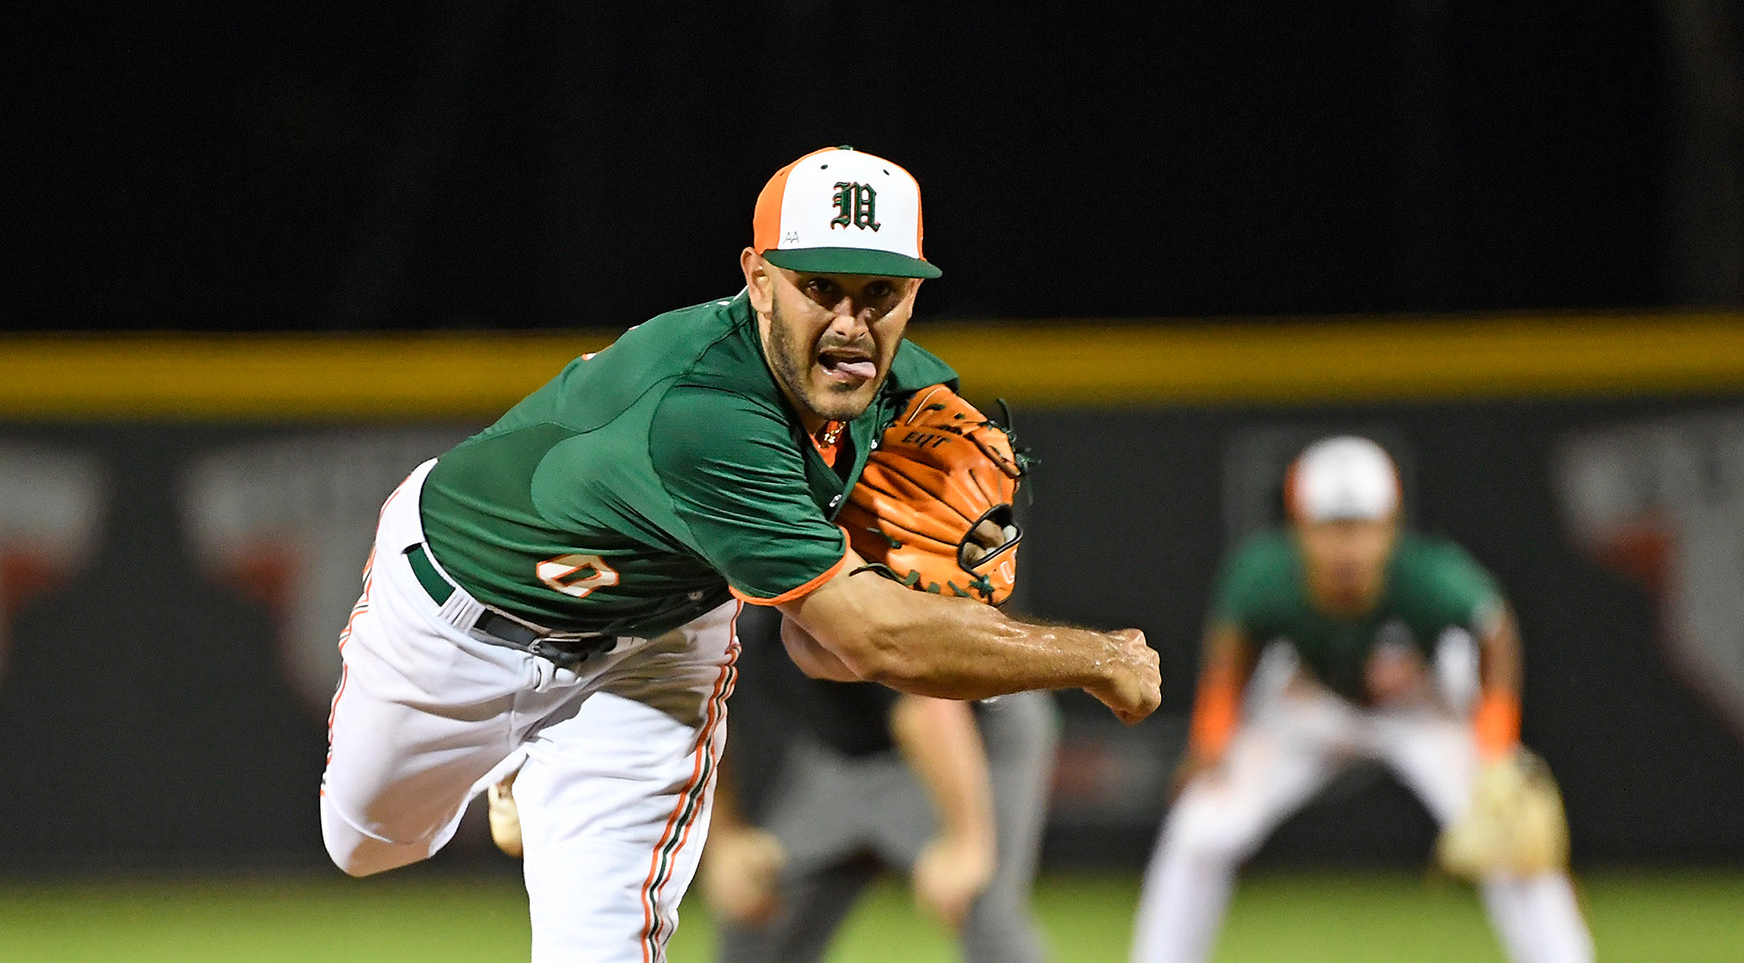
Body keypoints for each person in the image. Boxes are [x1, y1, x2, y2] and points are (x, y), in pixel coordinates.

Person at [317, 146, 1161, 963]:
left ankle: (556, 765)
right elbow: (878, 638)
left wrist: (946, 575)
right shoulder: (708, 412)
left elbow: (819, 645)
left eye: (882, 292)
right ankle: (516, 761)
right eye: (818, 287)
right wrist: (1095, 657)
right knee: (365, 846)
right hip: (458, 610)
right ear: (758, 280)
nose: (851, 322)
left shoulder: (909, 397)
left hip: (655, 646)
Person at [1129, 436, 1593, 963]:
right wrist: (1212, 740)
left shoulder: (1429, 574)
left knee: (1507, 827)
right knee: (1201, 825)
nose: (1348, 547)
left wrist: (1494, 747)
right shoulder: (1265, 574)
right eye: (1331, 527)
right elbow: (1234, 651)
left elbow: (1496, 632)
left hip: (1420, 708)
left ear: (1391, 526)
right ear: (1299, 527)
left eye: (1363, 527)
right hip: (1311, 704)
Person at [699, 604, 1058, 963]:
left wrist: (964, 843)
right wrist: (726, 839)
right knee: (756, 896)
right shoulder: (730, 610)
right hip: (843, 756)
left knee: (980, 906)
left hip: (971, 736)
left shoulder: (831, 588)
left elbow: (925, 708)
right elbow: (707, 720)